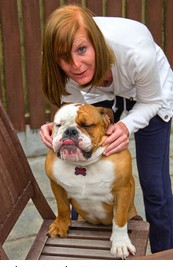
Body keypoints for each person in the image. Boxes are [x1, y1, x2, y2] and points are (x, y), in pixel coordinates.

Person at [40, 4, 173, 253]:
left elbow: (151, 101)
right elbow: (73, 107)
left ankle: (165, 255)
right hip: (97, 93)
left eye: (82, 50)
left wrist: (124, 126)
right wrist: (57, 127)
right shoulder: (59, 63)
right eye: (64, 57)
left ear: (95, 41)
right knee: (78, 163)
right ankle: (80, 250)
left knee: (155, 185)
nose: (76, 65)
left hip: (148, 94)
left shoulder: (136, 52)